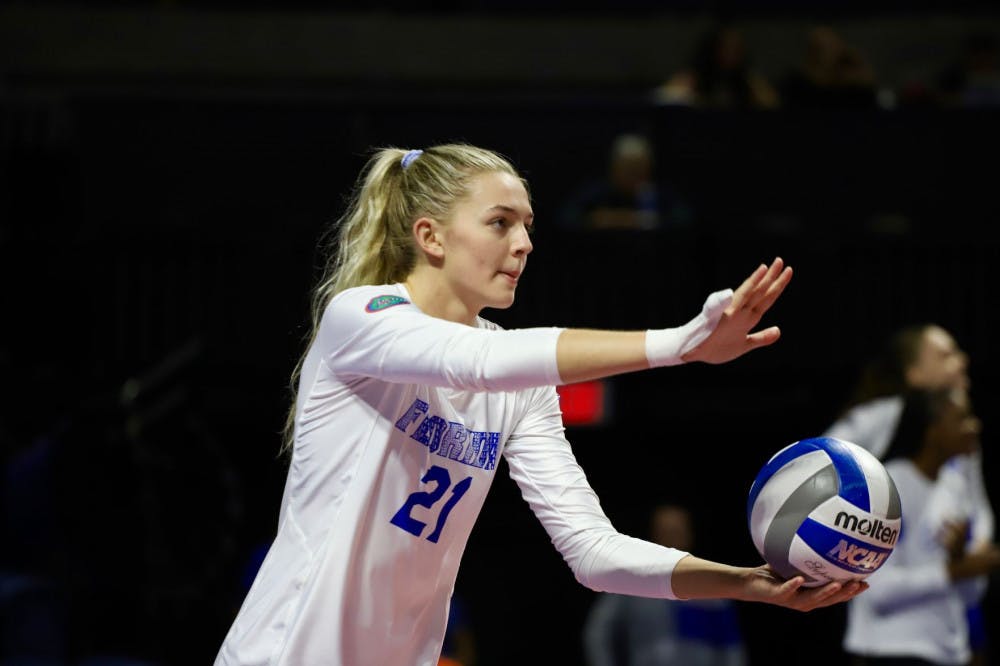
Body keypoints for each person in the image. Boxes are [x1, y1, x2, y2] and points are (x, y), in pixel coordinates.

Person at [214, 143, 866, 666]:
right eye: (500, 223)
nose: (525, 243)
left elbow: (594, 553)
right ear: (431, 237)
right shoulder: (361, 317)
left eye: (528, 225)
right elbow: (479, 361)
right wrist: (678, 345)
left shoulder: (520, 389)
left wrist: (748, 583)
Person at [824, 324, 994, 665]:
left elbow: (978, 505)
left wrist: (975, 549)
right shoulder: (880, 424)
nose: (961, 361)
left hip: (946, 624)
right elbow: (820, 468)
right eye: (945, 355)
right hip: (890, 636)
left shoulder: (956, 466)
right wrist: (846, 527)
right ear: (914, 374)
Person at [583, 503, 747, 666]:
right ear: (654, 535)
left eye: (677, 532)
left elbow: (731, 646)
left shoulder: (711, 587)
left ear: (689, 534)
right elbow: (598, 632)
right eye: (666, 532)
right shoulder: (632, 580)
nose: (672, 539)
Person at [557, 133, 693, 231]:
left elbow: (685, 219)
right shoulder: (596, 192)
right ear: (614, 168)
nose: (635, 176)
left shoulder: (658, 194)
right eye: (629, 169)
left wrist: (651, 220)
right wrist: (595, 219)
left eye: (640, 170)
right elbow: (565, 218)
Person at [652, 23, 780, 110]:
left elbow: (772, 104)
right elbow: (663, 98)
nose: (731, 54)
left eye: (737, 49)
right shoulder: (696, 74)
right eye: (726, 47)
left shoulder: (747, 77)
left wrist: (753, 81)